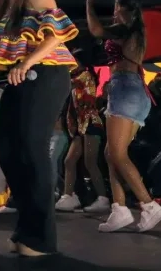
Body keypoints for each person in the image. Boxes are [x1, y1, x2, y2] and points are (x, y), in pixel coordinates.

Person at [0, 0, 78, 257]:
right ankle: (26, 227)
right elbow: (12, 46)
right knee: (6, 148)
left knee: (32, 153)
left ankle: (41, 239)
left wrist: (27, 62)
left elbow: (58, 33)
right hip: (20, 78)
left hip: (46, 75)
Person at [86, 0, 161, 233]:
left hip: (125, 89)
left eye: (116, 6)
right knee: (112, 153)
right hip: (134, 92)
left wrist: (90, 5)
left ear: (125, 8)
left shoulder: (126, 28)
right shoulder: (135, 30)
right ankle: (119, 210)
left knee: (118, 155)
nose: (113, 10)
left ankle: (149, 204)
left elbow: (96, 31)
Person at [55, 52, 110, 213]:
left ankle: (103, 198)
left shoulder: (85, 76)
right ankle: (69, 195)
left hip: (91, 124)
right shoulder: (75, 77)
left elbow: (84, 96)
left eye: (73, 60)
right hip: (80, 127)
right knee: (69, 161)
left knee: (90, 162)